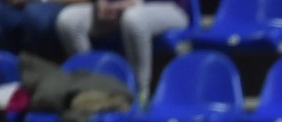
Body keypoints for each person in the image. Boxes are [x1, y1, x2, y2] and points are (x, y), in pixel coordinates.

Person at [55, 0, 190, 103]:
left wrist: (136, 2)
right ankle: (92, 86)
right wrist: (102, 3)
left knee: (133, 19)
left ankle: (140, 95)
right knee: (68, 20)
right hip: (120, 8)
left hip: (168, 7)